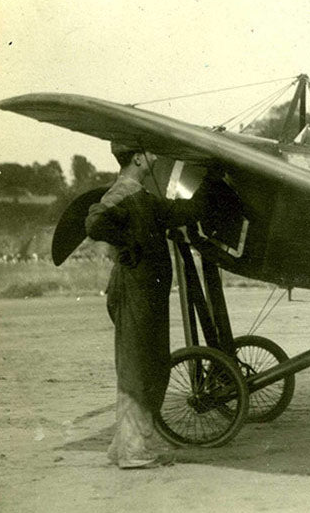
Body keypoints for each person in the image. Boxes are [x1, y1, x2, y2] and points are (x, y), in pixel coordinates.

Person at [86, 142, 206, 469]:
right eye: (151, 154)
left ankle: (125, 444)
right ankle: (132, 451)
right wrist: (125, 245)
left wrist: (212, 181)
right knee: (138, 367)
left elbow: (185, 212)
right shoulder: (124, 194)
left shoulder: (141, 197)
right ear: (138, 158)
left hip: (145, 294)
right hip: (134, 292)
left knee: (148, 364)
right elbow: (95, 222)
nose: (155, 158)